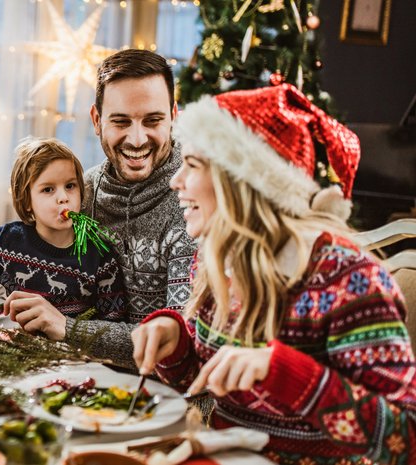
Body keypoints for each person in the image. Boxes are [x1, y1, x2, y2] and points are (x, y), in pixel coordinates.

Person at [132, 85, 415, 463]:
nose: (176, 181)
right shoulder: (221, 257)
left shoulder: (348, 280)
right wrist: (175, 341)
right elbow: (205, 380)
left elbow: (404, 440)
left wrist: (284, 371)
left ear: (244, 183)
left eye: (194, 165)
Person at [0, 50, 196, 369]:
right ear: (97, 120)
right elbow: (24, 259)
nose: (137, 139)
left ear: (173, 117)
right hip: (76, 378)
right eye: (120, 121)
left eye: (152, 121)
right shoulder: (80, 191)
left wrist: (69, 329)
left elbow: (180, 346)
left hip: (169, 399)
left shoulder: (196, 205)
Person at [0, 138, 126, 323]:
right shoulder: (3, 241)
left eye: (70, 186)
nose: (63, 198)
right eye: (48, 189)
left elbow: (109, 322)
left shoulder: (100, 259)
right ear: (27, 201)